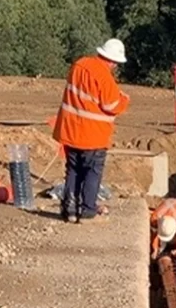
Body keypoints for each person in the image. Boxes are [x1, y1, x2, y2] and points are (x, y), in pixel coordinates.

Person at [53, 38, 131, 223]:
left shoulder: (79, 65)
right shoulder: (104, 76)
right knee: (92, 172)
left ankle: (69, 210)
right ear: (112, 60)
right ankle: (88, 211)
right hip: (94, 136)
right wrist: (124, 100)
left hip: (71, 131)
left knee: (73, 170)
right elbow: (111, 104)